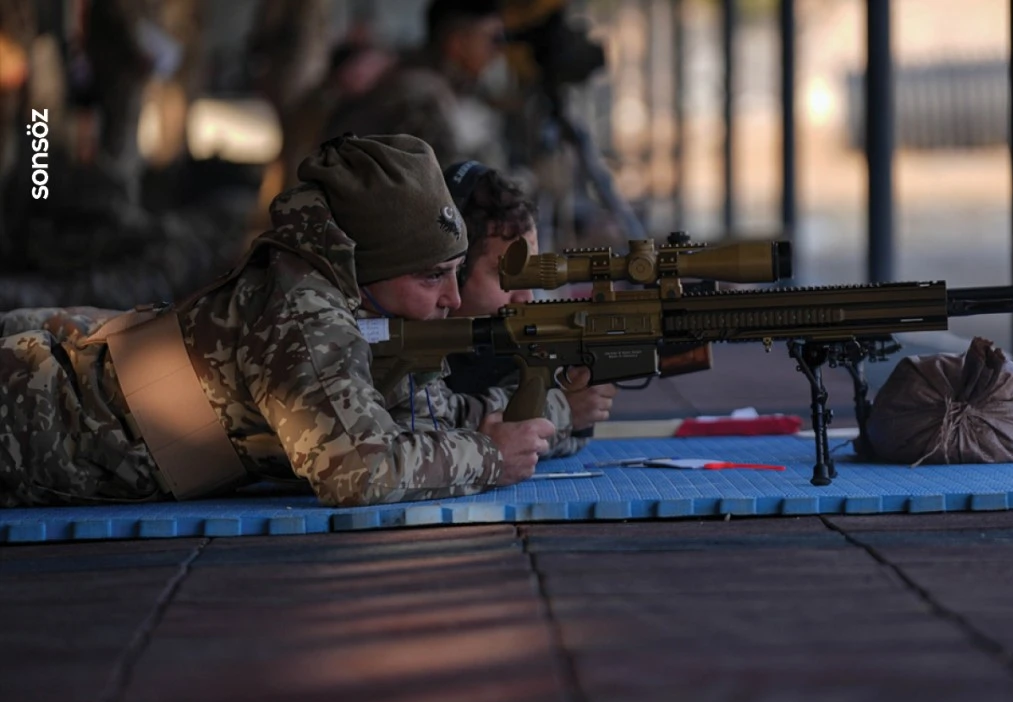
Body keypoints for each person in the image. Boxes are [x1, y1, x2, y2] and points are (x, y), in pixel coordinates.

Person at [0, 133, 556, 509]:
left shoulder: (363, 307)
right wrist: (489, 457)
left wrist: (546, 415)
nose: (453, 300)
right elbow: (358, 473)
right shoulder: (306, 314)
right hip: (29, 426)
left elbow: (425, 417)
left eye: (456, 273)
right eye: (433, 277)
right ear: (371, 269)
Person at [441, 159, 617, 456]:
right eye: (505, 274)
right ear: (453, 269)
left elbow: (552, 440)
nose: (525, 296)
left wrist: (574, 406)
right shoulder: (403, 339)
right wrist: (563, 409)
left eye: (531, 273)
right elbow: (430, 425)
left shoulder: (502, 346)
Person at [323, 0, 509, 170]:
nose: (497, 51)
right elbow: (447, 184)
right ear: (457, 43)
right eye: (493, 39)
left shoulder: (414, 76)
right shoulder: (421, 92)